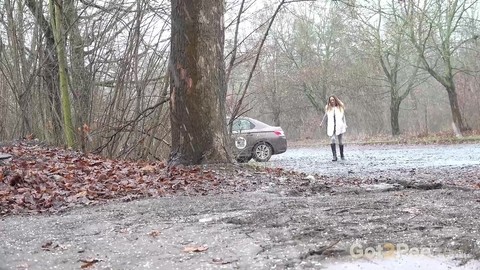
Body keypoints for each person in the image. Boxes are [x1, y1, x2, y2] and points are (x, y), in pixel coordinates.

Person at [320, 95, 347, 161]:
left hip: (339, 125)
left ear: (335, 100)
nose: (332, 101)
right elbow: (325, 115)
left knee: (340, 141)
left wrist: (345, 124)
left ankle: (342, 155)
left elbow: (343, 117)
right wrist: (321, 123)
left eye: (333, 99)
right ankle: (334, 156)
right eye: (331, 100)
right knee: (332, 139)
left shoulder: (340, 107)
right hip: (331, 125)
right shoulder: (328, 108)